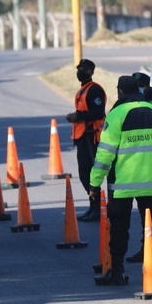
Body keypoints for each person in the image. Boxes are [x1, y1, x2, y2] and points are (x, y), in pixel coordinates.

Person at [90, 76, 152, 285]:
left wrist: (94, 183)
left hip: (122, 186)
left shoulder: (116, 114)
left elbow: (105, 154)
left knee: (119, 230)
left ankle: (117, 271)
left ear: (120, 92)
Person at [66, 59, 107, 223]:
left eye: (84, 69)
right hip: (83, 136)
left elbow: (98, 112)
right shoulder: (83, 90)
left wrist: (78, 116)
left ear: (91, 72)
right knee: (84, 173)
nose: (80, 72)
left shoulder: (94, 89)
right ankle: (93, 206)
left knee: (90, 173)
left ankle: (97, 207)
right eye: (79, 69)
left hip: (91, 136)